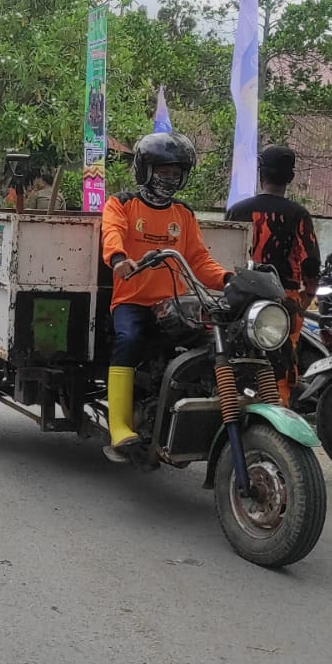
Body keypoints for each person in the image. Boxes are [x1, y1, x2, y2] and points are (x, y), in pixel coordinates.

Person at [101, 132, 229, 463]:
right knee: (127, 339)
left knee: (212, 341)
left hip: (172, 305)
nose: (170, 179)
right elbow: (111, 232)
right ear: (145, 170)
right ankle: (119, 426)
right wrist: (118, 259)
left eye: (176, 173)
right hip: (131, 302)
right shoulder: (122, 204)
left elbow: (199, 260)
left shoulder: (183, 215)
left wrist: (228, 279)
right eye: (163, 172)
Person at [224, 146, 321, 406]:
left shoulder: (237, 210)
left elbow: (223, 257)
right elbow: (311, 262)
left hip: (240, 297)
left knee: (234, 357)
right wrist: (305, 298)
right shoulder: (299, 215)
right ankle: (279, 411)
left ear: (261, 174)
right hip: (283, 301)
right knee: (281, 361)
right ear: (290, 178)